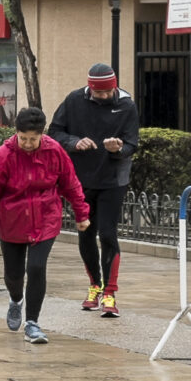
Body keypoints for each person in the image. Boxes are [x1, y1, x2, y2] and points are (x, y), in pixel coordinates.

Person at [0, 106, 90, 344]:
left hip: (45, 218)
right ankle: (16, 300)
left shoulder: (54, 152)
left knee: (36, 268)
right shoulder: (3, 156)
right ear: (16, 133)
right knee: (14, 274)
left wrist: (81, 213)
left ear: (41, 135)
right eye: (23, 138)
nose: (27, 143)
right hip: (12, 221)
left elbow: (71, 184)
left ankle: (33, 323)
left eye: (33, 139)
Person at [50, 63, 138, 317]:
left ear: (114, 85)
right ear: (89, 88)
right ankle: (94, 286)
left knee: (108, 234)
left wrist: (117, 148)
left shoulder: (126, 105)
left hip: (113, 179)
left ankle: (110, 293)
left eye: (107, 92)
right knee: (86, 233)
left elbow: (132, 143)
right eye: (97, 92)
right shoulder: (74, 100)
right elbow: (55, 131)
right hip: (81, 179)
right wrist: (74, 142)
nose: (102, 96)